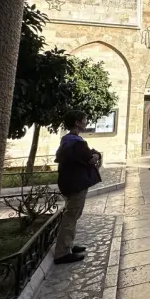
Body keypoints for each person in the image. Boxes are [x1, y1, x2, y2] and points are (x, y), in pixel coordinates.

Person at [53, 110, 103, 265]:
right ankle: (62, 253)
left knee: (71, 214)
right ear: (77, 122)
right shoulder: (77, 142)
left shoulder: (67, 140)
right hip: (77, 183)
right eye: (85, 119)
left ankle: (67, 245)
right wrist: (95, 156)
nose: (86, 122)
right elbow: (90, 159)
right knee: (72, 215)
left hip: (68, 182)